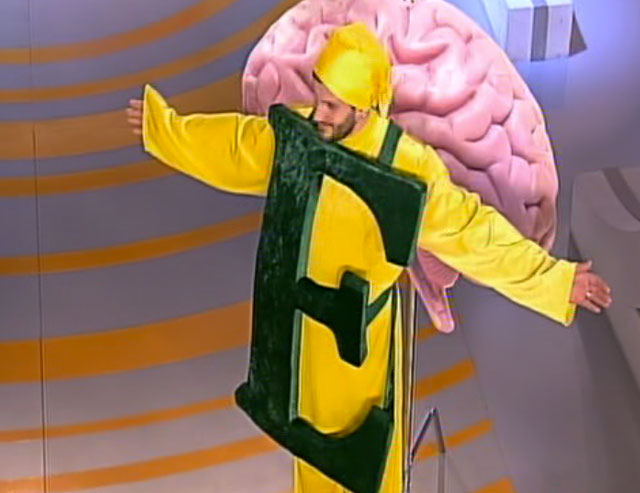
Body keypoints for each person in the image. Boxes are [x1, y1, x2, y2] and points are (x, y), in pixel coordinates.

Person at [126, 22, 611, 493]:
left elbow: (473, 233)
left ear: (364, 107)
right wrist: (162, 128)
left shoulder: (407, 168)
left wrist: (555, 281)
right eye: (319, 99)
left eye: (332, 106)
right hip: (301, 340)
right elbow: (238, 147)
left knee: (368, 468)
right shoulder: (303, 138)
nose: (319, 113)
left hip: (361, 350)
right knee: (310, 454)